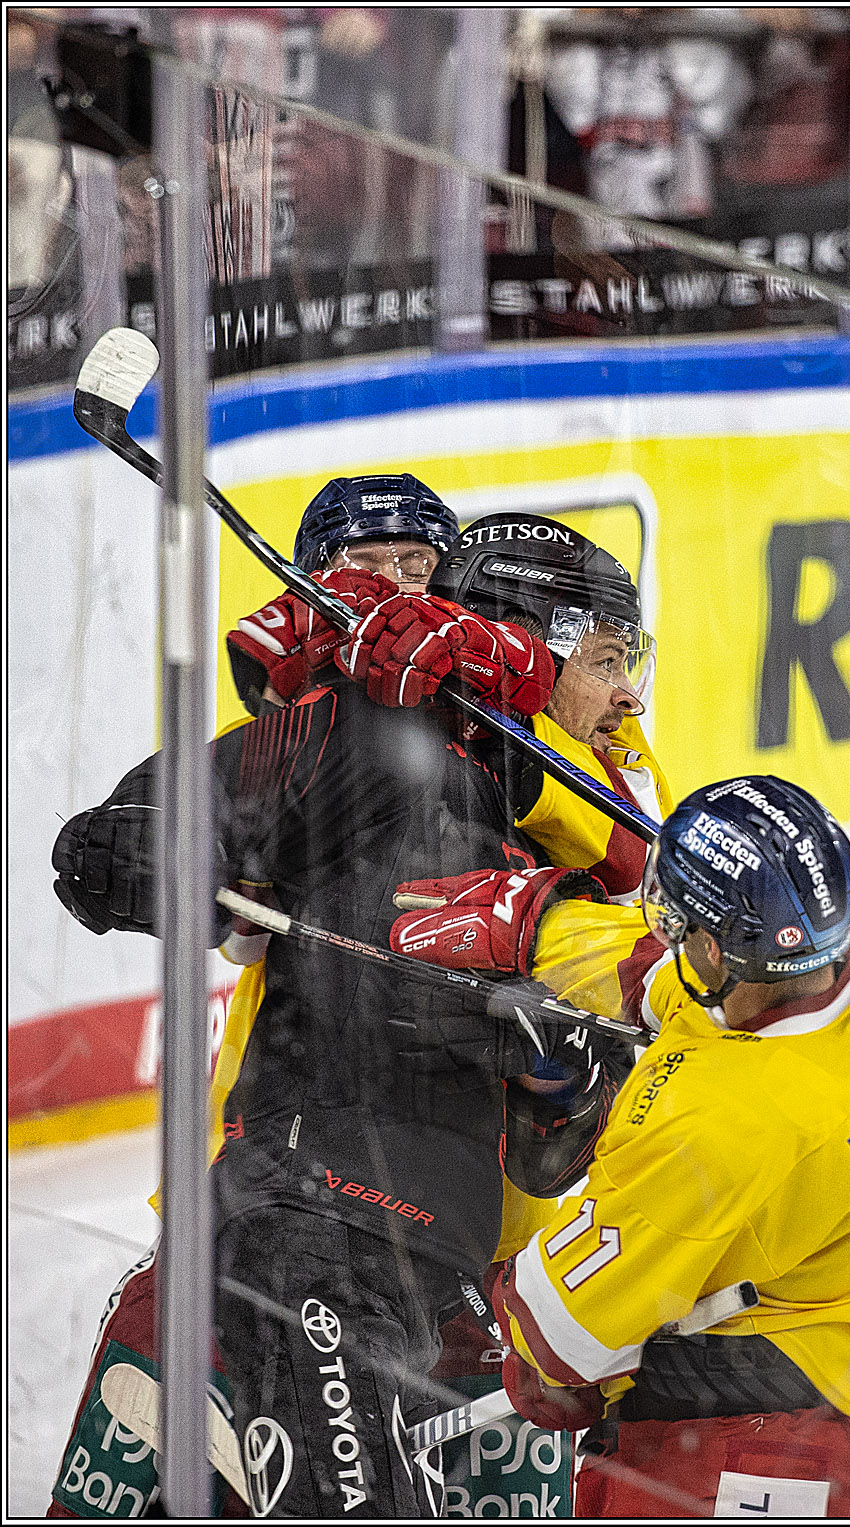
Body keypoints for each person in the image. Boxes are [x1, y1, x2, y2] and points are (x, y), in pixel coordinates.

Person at [49, 503, 665, 1517]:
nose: (629, 692)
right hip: (300, 1225)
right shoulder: (380, 734)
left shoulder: (598, 774)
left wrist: (569, 1070)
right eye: (604, 658)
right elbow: (165, 817)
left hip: (478, 1290)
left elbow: (640, 890)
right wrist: (137, 843)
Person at [45, 471, 460, 1519]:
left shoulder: (493, 729)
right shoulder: (318, 735)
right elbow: (122, 844)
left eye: (420, 570)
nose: (398, 590)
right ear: (312, 584)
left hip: (454, 1220)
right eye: (370, 569)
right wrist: (157, 855)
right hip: (299, 1191)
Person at [387, 775, 850, 1518]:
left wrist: (527, 1345)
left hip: (713, 1470)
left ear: (717, 949)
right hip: (822, 1440)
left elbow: (558, 1340)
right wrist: (541, 934)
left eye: (682, 929)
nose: (669, 939)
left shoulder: (715, 1123)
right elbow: (665, 976)